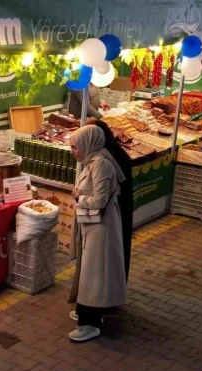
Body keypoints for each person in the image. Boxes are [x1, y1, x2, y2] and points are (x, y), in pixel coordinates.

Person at [66, 125, 127, 342]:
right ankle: (87, 312)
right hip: (93, 226)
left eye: (75, 147)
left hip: (101, 228)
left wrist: (78, 197)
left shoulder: (101, 165)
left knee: (94, 273)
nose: (73, 151)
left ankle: (89, 323)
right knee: (91, 272)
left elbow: (99, 200)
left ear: (88, 144)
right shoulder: (93, 161)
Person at [86, 118, 133, 280]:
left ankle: (110, 288)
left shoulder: (105, 160)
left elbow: (100, 198)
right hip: (121, 207)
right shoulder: (115, 152)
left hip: (114, 211)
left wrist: (82, 197)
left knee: (111, 253)